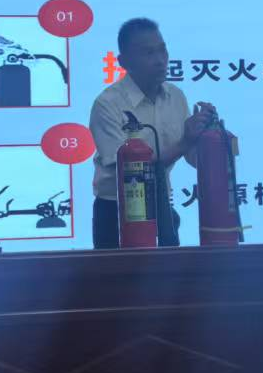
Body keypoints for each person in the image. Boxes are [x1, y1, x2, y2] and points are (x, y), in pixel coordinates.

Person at [88, 18, 217, 248]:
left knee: (171, 271)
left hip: (162, 206)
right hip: (116, 211)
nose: (160, 60)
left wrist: (209, 139)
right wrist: (185, 142)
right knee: (118, 273)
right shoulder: (107, 104)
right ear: (124, 62)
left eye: (162, 50)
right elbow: (132, 172)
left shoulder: (175, 96)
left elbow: (192, 157)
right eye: (148, 53)